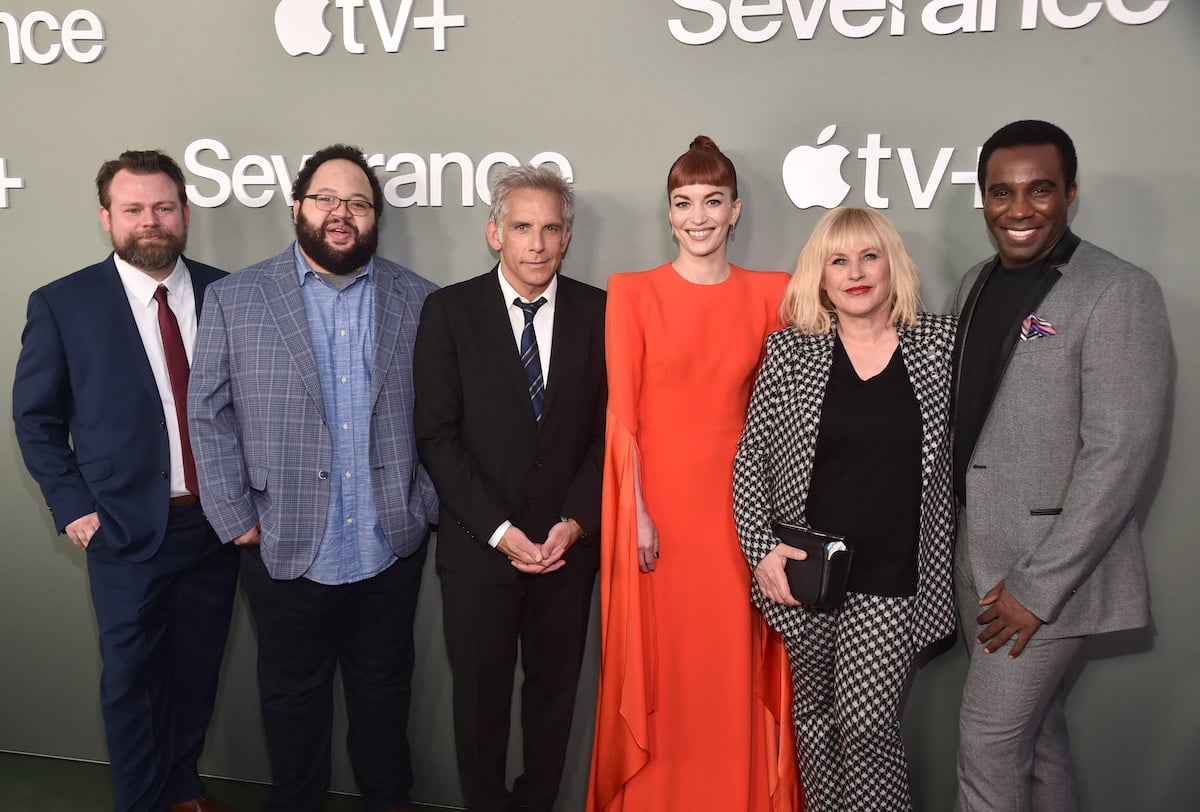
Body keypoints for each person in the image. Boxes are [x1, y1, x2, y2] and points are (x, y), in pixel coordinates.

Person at [187, 144, 438, 812]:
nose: (342, 213)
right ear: (296, 207)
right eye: (327, 198)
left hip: (390, 545)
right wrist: (232, 513)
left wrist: (424, 504)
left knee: (385, 710)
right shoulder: (236, 298)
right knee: (292, 715)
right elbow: (206, 412)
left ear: (374, 217)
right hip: (281, 546)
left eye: (358, 202)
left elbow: (446, 418)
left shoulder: (419, 300)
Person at [951, 120, 1172, 811]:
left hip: (1044, 584)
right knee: (1036, 745)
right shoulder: (973, 284)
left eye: (1039, 190)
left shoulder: (1118, 290)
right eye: (1001, 193)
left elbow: (1120, 455)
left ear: (1069, 194)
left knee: (986, 750)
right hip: (981, 564)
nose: (1019, 210)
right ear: (984, 199)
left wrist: (1037, 590)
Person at [12, 150, 240, 812]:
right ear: (107, 217)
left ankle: (182, 789)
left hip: (216, 523)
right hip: (124, 526)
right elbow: (35, 419)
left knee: (196, 672)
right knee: (134, 681)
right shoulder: (63, 304)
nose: (151, 221)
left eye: (164, 208)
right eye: (134, 209)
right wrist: (73, 505)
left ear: (185, 214)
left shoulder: (227, 292)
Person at [588, 136, 800, 812]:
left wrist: (766, 523)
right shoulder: (633, 292)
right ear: (669, 212)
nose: (698, 216)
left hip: (739, 513)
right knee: (664, 670)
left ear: (735, 210)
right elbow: (623, 417)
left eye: (712, 201)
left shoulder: (774, 294)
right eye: (683, 203)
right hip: (658, 517)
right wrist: (637, 510)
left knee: (729, 664)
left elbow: (781, 420)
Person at [733, 207, 957, 811]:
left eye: (869, 257)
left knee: (864, 726)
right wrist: (761, 552)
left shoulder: (940, 344)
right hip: (807, 577)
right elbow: (750, 458)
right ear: (821, 276)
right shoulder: (789, 354)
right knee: (815, 723)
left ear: (892, 266)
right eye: (839, 260)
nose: (855, 273)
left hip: (894, 579)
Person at [412, 164, 606, 812]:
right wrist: (501, 532)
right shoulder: (449, 311)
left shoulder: (600, 313)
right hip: (478, 553)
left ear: (568, 236)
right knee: (479, 708)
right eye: (523, 227)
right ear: (495, 232)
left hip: (566, 552)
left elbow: (613, 434)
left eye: (552, 228)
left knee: (554, 705)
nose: (538, 243)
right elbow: (436, 437)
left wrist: (574, 523)